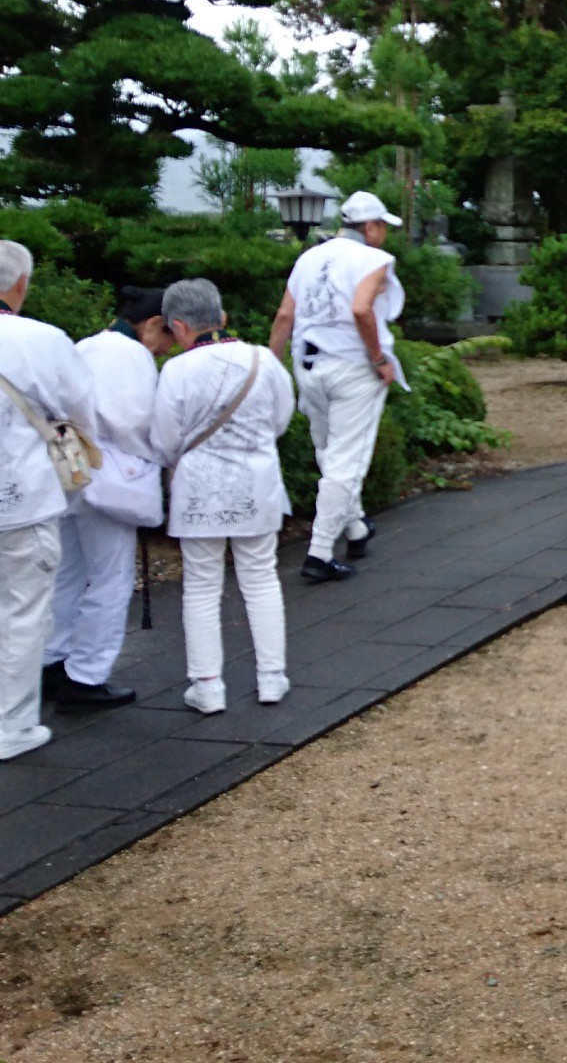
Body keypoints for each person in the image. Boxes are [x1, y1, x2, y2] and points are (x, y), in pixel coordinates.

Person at [152, 279, 296, 715]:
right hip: (257, 483)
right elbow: (281, 420)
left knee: (200, 585)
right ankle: (271, 677)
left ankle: (208, 685)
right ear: (223, 318)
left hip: (199, 488)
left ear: (178, 326)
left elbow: (164, 439)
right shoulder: (264, 362)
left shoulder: (176, 370)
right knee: (260, 578)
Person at [42, 286, 179, 710]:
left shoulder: (87, 345)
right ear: (154, 324)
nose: (165, 349)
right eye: (168, 338)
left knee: (67, 574)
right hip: (109, 477)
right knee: (110, 577)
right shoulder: (129, 355)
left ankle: (51, 662)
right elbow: (134, 420)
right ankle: (86, 676)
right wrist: (161, 451)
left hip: (67, 470)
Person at [268, 190, 407, 583]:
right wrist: (379, 358)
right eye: (383, 226)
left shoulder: (309, 257)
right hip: (353, 366)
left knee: (328, 451)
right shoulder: (374, 259)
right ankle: (319, 551)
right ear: (372, 226)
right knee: (347, 459)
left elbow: (283, 317)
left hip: (307, 363)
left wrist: (271, 368)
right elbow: (361, 309)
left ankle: (356, 529)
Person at [0, 241, 94, 761]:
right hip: (21, 494)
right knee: (22, 611)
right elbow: (81, 409)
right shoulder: (41, 339)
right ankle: (11, 726)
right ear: (20, 284)